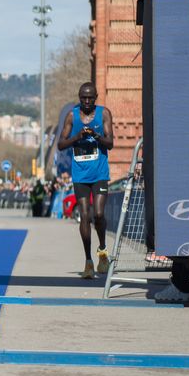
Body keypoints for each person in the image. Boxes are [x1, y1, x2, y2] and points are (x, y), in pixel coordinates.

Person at [56, 81, 114, 279]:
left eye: (90, 98)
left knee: (98, 214)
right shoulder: (72, 115)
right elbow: (61, 144)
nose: (87, 101)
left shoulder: (104, 113)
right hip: (80, 174)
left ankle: (103, 251)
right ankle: (88, 261)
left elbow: (111, 143)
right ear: (79, 97)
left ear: (96, 98)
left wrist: (96, 136)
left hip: (99, 173)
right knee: (85, 215)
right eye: (83, 98)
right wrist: (77, 136)